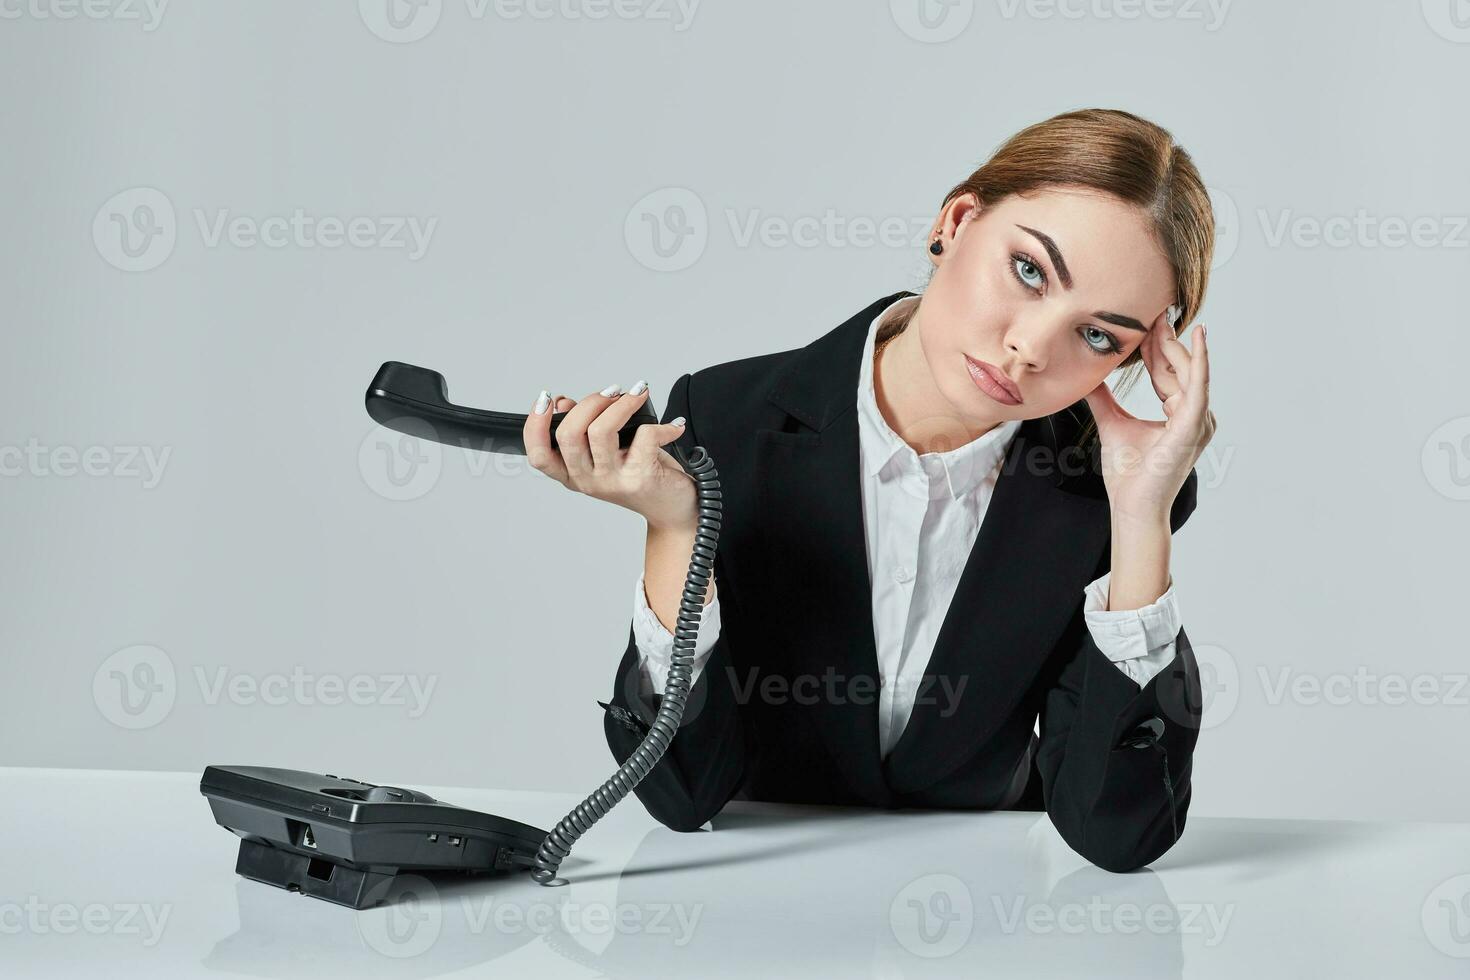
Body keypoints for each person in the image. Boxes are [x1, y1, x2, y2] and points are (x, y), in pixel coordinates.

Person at [522, 107, 1217, 873]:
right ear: (956, 221)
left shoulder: (1102, 498)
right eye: (1028, 271)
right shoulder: (725, 423)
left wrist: (1142, 517)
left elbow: (1119, 836)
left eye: (1097, 336)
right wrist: (675, 531)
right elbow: (683, 795)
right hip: (753, 914)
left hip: (987, 922)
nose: (1028, 348)